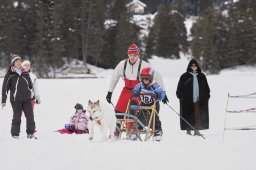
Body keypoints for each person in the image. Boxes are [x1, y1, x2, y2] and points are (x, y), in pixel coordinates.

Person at [106, 44, 168, 136]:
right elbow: (114, 77)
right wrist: (110, 92)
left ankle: (133, 129)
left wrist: (163, 92)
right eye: (130, 55)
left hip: (139, 91)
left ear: (138, 55)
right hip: (126, 90)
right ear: (128, 55)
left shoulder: (144, 65)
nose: (132, 57)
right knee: (119, 109)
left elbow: (157, 76)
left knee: (134, 109)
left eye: (134, 55)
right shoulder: (123, 64)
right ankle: (118, 126)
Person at [1, 55, 36, 139]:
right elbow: (5, 88)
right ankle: (15, 134)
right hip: (15, 100)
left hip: (27, 99)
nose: (18, 63)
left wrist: (33, 96)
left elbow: (30, 86)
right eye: (16, 61)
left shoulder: (25, 73)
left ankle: (30, 133)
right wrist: (3, 100)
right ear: (13, 63)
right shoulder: (10, 74)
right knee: (17, 117)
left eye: (20, 61)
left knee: (30, 116)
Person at [176, 59, 210, 136]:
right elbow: (180, 87)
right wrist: (180, 96)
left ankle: (196, 130)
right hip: (187, 99)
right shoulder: (184, 76)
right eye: (192, 66)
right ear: (190, 66)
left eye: (195, 65)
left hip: (199, 99)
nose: (194, 67)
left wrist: (207, 96)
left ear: (197, 66)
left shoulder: (202, 76)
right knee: (188, 114)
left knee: (198, 114)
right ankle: (188, 130)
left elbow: (206, 87)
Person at [131, 67, 166, 141]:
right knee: (140, 116)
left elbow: (162, 93)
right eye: (143, 78)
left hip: (153, 104)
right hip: (143, 104)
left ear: (151, 77)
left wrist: (157, 95)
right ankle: (137, 130)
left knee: (154, 117)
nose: (145, 80)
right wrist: (135, 92)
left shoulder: (155, 85)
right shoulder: (140, 85)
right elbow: (135, 90)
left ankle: (158, 131)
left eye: (147, 78)